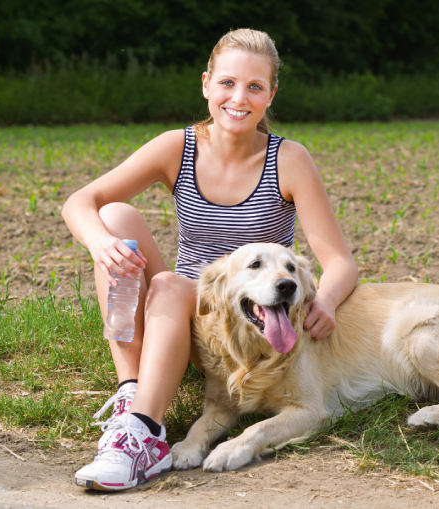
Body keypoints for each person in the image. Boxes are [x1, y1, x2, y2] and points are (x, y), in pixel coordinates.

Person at [62, 28, 358, 490]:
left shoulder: (288, 159)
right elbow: (80, 201)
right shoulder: (177, 146)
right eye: (227, 83)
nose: (238, 98)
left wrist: (328, 300)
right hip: (195, 320)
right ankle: (132, 395)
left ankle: (145, 435)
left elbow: (340, 261)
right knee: (115, 217)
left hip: (252, 330)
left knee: (165, 284)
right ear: (206, 84)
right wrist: (102, 244)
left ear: (271, 94)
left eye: (254, 87)